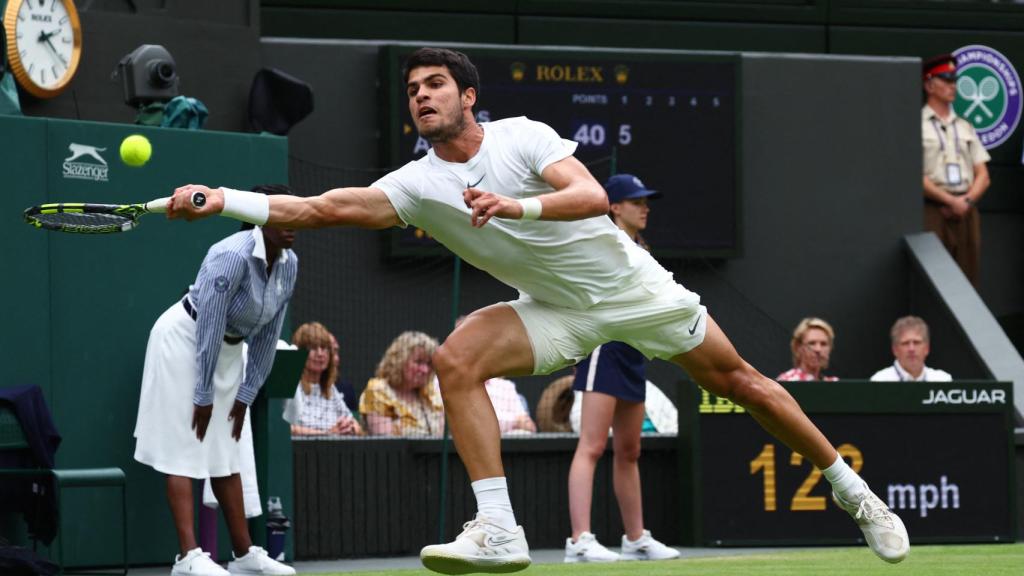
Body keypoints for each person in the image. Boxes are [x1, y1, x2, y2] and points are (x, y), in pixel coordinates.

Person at [166, 47, 909, 573]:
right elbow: (324, 207)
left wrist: (514, 205)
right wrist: (223, 199)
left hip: (631, 289)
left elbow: (590, 196)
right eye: (412, 89)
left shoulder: (521, 137)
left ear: (467, 98)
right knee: (456, 358)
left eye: (435, 84)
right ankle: (498, 528)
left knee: (740, 382)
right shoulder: (417, 183)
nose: (420, 95)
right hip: (554, 309)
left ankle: (856, 493)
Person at [134, 184, 298, 576]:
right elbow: (208, 325)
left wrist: (245, 394)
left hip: (228, 350)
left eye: (296, 213)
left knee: (227, 447)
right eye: (283, 213)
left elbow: (268, 334)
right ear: (260, 217)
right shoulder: (229, 255)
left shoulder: (290, 261)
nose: (294, 222)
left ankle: (243, 556)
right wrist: (203, 392)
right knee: (184, 441)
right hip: (184, 339)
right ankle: (187, 557)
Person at [564, 174, 678, 563]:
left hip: (632, 353)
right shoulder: (602, 242)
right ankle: (579, 541)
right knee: (593, 445)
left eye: (646, 200)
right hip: (602, 348)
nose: (644, 207)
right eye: (635, 201)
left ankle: (635, 538)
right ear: (613, 206)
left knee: (629, 450)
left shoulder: (641, 246)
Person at [921, 53, 991, 288]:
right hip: (933, 209)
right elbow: (914, 176)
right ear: (929, 84)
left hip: (966, 209)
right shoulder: (916, 124)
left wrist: (966, 201)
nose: (953, 86)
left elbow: (983, 174)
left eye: (955, 80)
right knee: (933, 280)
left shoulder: (965, 125)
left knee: (968, 281)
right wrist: (949, 200)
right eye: (946, 80)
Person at [359, 331, 445, 437]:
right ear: (399, 361)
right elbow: (385, 444)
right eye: (418, 362)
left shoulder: (431, 395)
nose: (425, 370)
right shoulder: (378, 391)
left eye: (429, 364)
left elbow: (440, 440)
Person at [286, 322, 362, 436]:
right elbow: (287, 429)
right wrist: (327, 433)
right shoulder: (291, 386)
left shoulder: (330, 390)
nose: (320, 354)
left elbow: (356, 426)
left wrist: (350, 428)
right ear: (300, 352)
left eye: (324, 348)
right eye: (313, 348)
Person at [870, 316, 952, 382]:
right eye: (905, 343)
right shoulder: (880, 381)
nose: (911, 349)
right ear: (895, 350)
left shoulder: (943, 380)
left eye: (916, 342)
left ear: (927, 348)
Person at [777, 317, 839, 382]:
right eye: (811, 343)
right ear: (798, 347)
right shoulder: (785, 381)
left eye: (823, 344)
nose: (818, 349)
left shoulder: (834, 384)